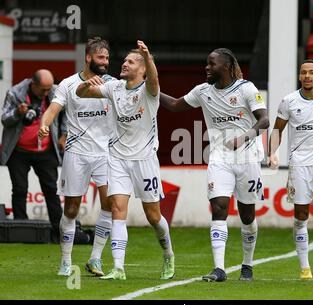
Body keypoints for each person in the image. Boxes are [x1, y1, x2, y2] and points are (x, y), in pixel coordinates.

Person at [159, 48, 269, 282]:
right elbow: (175, 105)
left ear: (227, 67)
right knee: (219, 207)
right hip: (219, 158)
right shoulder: (202, 91)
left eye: (212, 64)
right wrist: (150, 89)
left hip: (248, 159)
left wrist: (243, 137)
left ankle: (247, 265)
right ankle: (219, 269)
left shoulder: (246, 88)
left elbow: (264, 120)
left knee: (247, 215)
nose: (207, 68)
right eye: (206, 64)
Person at [76, 40, 175, 281]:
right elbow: (81, 94)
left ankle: (168, 255)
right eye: (125, 60)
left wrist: (148, 57)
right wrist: (85, 85)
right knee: (118, 209)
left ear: (142, 69)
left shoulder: (149, 91)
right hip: (117, 158)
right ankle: (118, 268)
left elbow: (153, 79)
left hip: (144, 160)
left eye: (131, 61)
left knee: (153, 216)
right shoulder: (114, 88)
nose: (124, 63)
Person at [39, 37, 115, 277]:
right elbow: (54, 108)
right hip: (77, 153)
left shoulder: (112, 84)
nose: (105, 62)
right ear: (89, 57)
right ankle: (65, 260)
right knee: (71, 209)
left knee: (109, 204)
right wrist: (44, 124)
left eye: (107, 58)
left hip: (106, 152)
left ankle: (95, 259)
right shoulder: (69, 84)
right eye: (101, 57)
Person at [268, 60, 313, 280]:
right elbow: (277, 129)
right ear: (300, 77)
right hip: (300, 164)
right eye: (303, 73)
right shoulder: (289, 101)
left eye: (311, 73)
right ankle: (305, 267)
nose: (307, 76)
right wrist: (272, 152)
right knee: (301, 215)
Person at [1, 69, 67, 242]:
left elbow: (66, 113)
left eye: (48, 89)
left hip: (46, 150)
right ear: (33, 84)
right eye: (43, 89)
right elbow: (4, 118)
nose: (47, 92)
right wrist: (18, 112)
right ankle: (20, 230)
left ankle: (58, 232)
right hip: (19, 151)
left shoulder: (54, 92)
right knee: (20, 189)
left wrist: (63, 134)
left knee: (51, 191)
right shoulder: (15, 93)